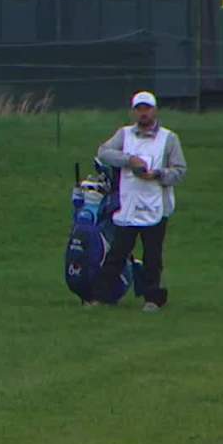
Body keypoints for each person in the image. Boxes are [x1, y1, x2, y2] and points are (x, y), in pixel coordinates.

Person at [88, 91, 187, 312]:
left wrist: (158, 174)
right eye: (139, 109)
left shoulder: (169, 138)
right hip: (128, 205)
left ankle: (153, 299)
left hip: (156, 207)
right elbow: (103, 153)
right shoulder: (124, 135)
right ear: (134, 112)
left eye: (147, 109)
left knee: (153, 257)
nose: (143, 113)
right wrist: (129, 160)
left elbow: (180, 171)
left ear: (155, 110)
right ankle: (100, 296)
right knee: (117, 254)